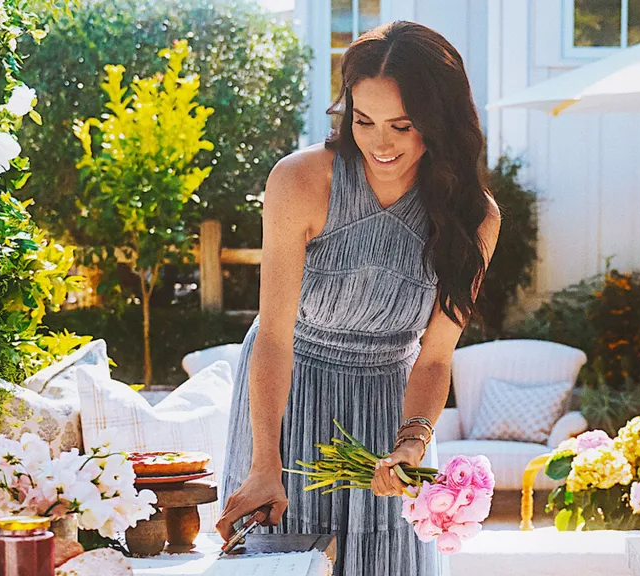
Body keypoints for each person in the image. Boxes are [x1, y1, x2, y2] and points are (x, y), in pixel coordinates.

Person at [215, 20, 501, 576]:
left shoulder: (475, 218)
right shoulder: (300, 181)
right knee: (285, 562)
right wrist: (264, 461)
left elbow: (436, 355)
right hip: (288, 398)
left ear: (439, 122)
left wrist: (412, 444)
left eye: (401, 123)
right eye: (363, 120)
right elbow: (274, 334)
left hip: (391, 407)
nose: (379, 142)